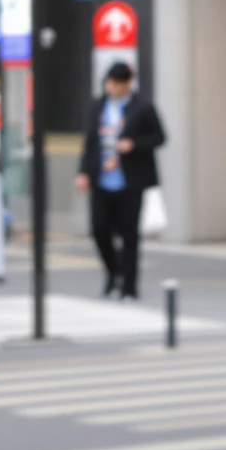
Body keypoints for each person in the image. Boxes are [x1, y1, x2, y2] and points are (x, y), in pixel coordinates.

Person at [76, 59, 165, 300]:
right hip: (102, 179)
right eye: (109, 83)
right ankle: (114, 272)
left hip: (130, 181)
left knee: (129, 235)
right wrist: (83, 172)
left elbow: (159, 137)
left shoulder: (143, 107)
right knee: (99, 229)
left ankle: (130, 286)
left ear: (128, 83)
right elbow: (90, 143)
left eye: (117, 83)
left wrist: (133, 144)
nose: (111, 88)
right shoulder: (98, 106)